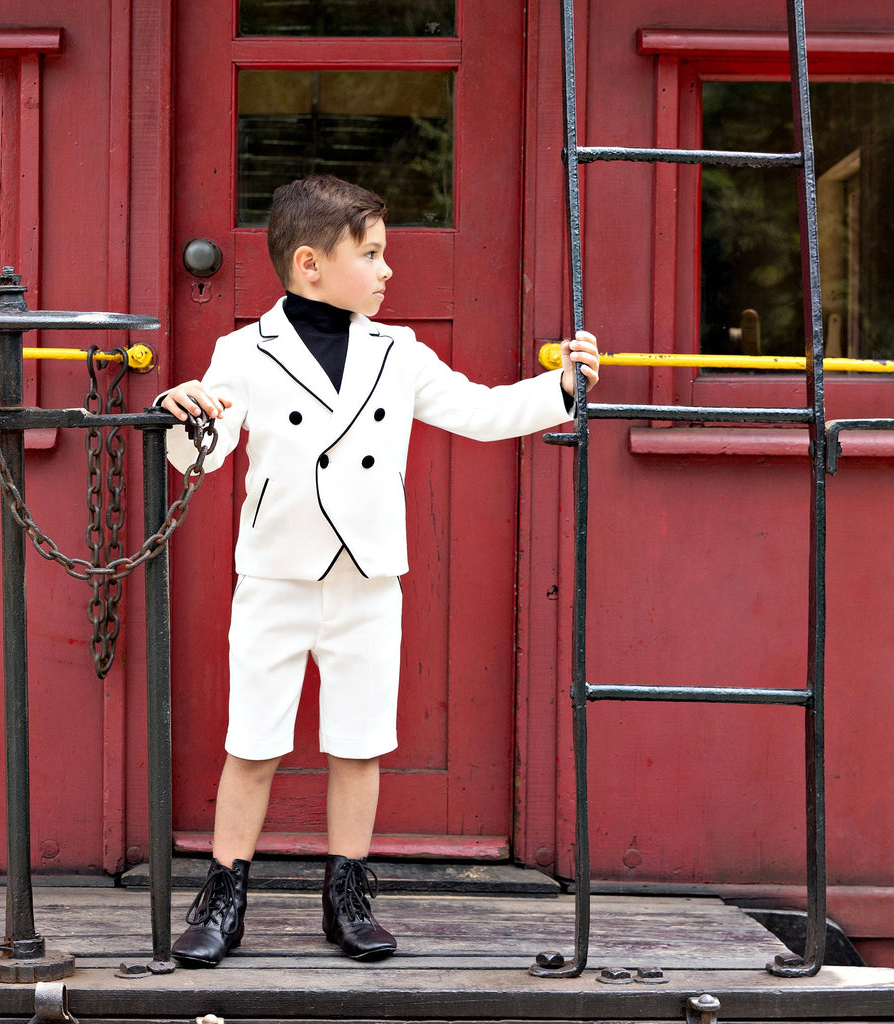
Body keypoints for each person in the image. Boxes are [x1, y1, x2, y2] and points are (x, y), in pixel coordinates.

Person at [157, 174, 600, 967]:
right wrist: (188, 412)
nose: (388, 268)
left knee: (358, 741)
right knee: (252, 742)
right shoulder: (242, 352)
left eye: (384, 250)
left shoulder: (398, 352)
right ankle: (223, 896)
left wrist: (561, 387)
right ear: (310, 262)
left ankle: (348, 895)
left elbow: (481, 411)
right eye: (371, 252)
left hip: (367, 578)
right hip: (277, 575)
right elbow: (208, 450)